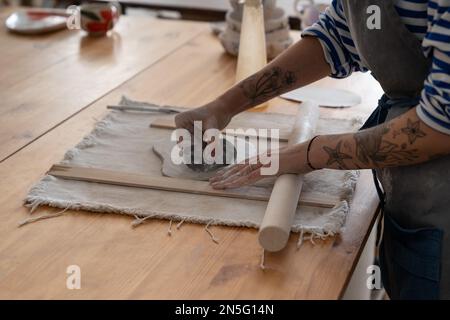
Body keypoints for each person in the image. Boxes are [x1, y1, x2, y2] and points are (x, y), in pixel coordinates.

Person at [175, 0, 450, 299]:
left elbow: (439, 127)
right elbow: (336, 38)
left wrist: (308, 153)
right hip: (413, 189)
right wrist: (224, 106)